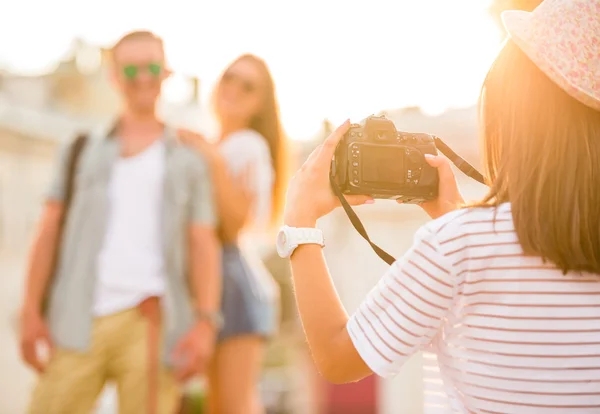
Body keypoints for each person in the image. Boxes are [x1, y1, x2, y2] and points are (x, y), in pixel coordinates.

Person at [279, 0, 600, 412]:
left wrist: (300, 220)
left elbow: (339, 356)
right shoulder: (461, 240)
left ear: (512, 114)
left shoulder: (459, 245)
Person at [19, 30, 222, 414]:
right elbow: (46, 231)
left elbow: (202, 242)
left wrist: (205, 325)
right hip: (77, 317)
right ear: (114, 76)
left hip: (151, 323)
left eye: (152, 67)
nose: (142, 77)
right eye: (131, 68)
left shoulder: (189, 159)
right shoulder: (79, 148)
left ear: (166, 73)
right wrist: (30, 312)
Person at [179, 53, 286, 414]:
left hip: (233, 282)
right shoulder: (214, 141)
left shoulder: (246, 146)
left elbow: (233, 224)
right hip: (212, 281)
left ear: (260, 103)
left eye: (248, 86)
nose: (235, 90)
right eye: (230, 78)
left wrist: (210, 158)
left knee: (231, 406)